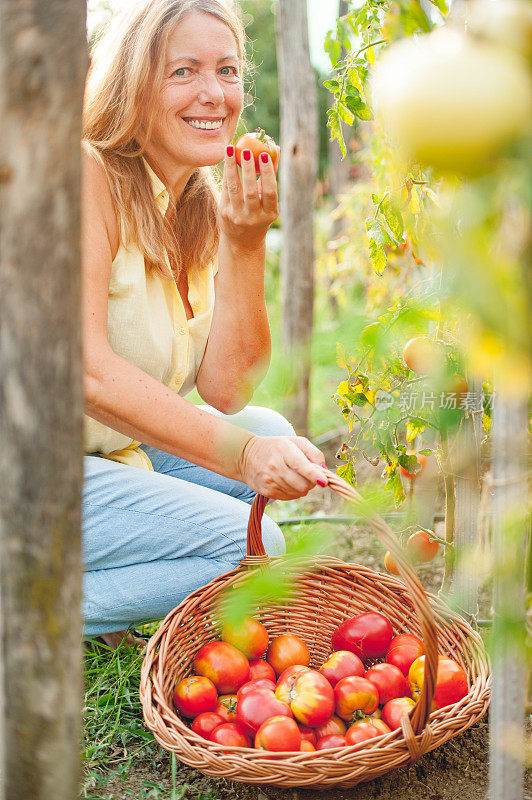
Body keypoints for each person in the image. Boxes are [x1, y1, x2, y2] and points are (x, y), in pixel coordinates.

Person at [82, 0, 328, 649]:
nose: (214, 94)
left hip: (108, 450)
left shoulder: (196, 205)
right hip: (33, 466)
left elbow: (228, 389)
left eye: (227, 70)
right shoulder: (87, 177)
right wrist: (243, 457)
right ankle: (32, 605)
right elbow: (87, 374)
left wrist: (245, 242)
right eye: (183, 71)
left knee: (268, 426)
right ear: (134, 83)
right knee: (250, 543)